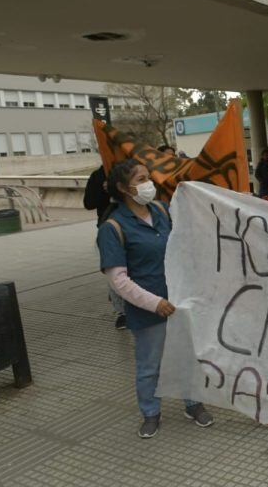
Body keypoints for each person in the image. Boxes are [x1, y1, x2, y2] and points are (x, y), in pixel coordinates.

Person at [97, 159, 214, 438]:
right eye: (140, 179)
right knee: (149, 365)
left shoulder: (161, 210)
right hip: (149, 311)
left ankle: (193, 403)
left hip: (179, 303)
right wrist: (155, 303)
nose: (148, 184)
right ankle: (150, 412)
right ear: (124, 189)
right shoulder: (112, 228)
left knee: (187, 357)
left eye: (148, 177)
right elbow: (118, 280)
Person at [84, 165, 126, 330]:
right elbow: (88, 203)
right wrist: (106, 192)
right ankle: (121, 311)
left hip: (135, 225)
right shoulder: (98, 175)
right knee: (115, 269)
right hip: (110, 226)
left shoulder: (133, 167)